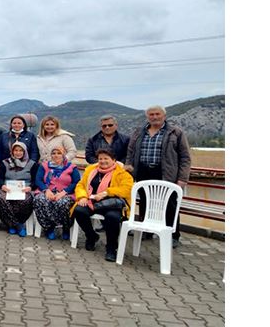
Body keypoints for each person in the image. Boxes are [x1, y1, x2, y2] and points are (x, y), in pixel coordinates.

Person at [124, 105, 191, 248]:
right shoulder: (139, 132)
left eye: (157, 114)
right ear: (147, 117)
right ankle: (146, 231)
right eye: (151, 114)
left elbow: (185, 157)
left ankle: (173, 235)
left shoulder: (175, 132)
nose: (154, 117)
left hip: (165, 173)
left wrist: (182, 179)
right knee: (144, 202)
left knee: (170, 204)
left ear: (164, 116)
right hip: (143, 171)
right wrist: (129, 165)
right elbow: (130, 151)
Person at [72, 148, 134, 262]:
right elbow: (80, 185)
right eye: (100, 158)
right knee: (79, 210)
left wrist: (107, 192)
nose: (103, 161)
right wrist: (82, 197)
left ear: (113, 160)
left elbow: (127, 189)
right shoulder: (91, 169)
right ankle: (91, 236)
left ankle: (111, 248)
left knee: (112, 217)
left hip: (112, 203)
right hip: (92, 201)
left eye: (106, 158)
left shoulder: (122, 173)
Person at [33, 145, 81, 240]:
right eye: (53, 153)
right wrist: (46, 190)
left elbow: (76, 182)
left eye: (59, 153)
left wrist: (64, 192)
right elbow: (38, 180)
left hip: (65, 193)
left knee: (62, 203)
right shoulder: (45, 165)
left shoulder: (71, 167)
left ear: (63, 155)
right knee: (40, 200)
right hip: (47, 190)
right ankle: (49, 227)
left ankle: (66, 227)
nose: (56, 155)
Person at [0, 141, 38, 237]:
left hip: (25, 189)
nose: (18, 153)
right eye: (16, 150)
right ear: (12, 152)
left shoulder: (32, 164)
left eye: (20, 150)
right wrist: (2, 186)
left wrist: (30, 187)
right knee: (1, 198)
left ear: (25, 152)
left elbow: (35, 180)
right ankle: (17, 225)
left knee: (26, 200)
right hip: (7, 188)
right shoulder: (5, 163)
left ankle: (13, 224)